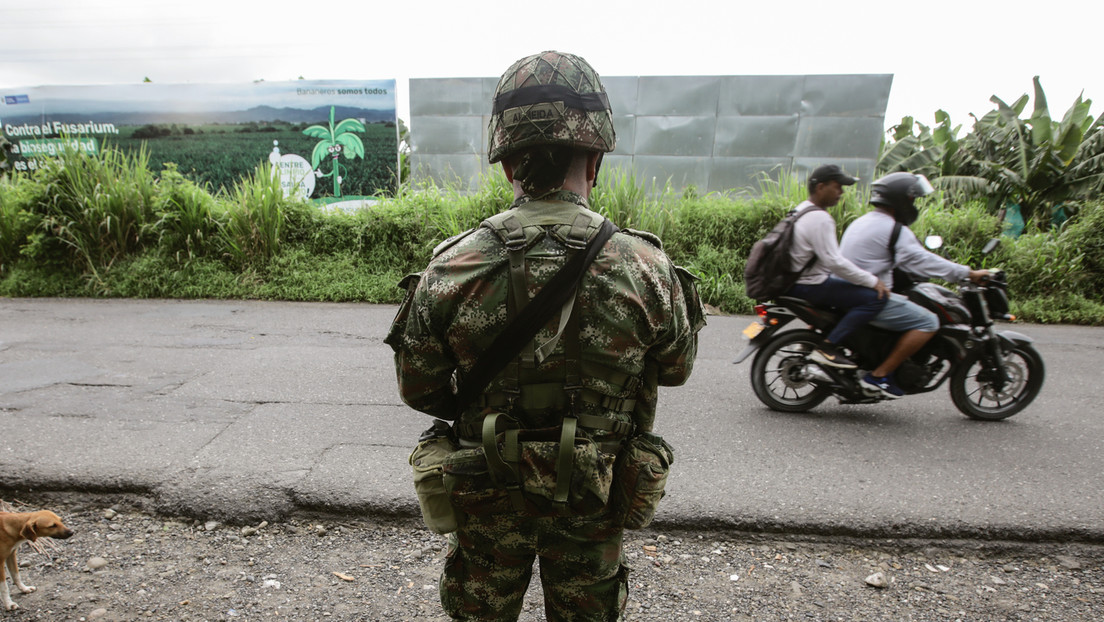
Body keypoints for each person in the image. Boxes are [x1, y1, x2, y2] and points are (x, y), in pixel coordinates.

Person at [385, 50, 704, 621]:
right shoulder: (647, 267)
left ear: (508, 164)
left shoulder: (453, 266)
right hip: (596, 488)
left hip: (487, 487)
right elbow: (675, 370)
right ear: (596, 155)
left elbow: (422, 393)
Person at [839, 171, 990, 398]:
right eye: (913, 199)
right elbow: (924, 261)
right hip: (866, 297)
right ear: (902, 199)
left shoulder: (862, 221)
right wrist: (968, 273)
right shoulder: (894, 229)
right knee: (929, 321)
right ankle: (879, 376)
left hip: (847, 291)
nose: (914, 204)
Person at [785, 164, 890, 370]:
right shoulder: (821, 218)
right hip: (809, 285)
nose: (841, 193)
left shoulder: (800, 209)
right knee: (875, 298)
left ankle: (812, 343)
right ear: (821, 187)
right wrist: (873, 281)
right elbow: (834, 261)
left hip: (792, 281)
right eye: (838, 187)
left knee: (843, 290)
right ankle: (828, 346)